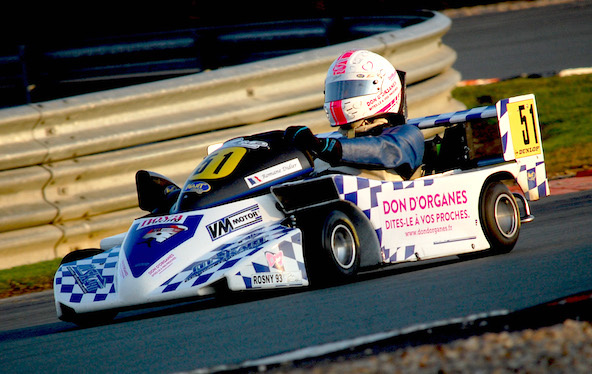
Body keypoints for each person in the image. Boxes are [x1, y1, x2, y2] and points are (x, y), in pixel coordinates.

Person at [285, 49, 424, 180]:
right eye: (339, 90)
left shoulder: (408, 135)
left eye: (351, 89)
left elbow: (385, 150)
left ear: (381, 88)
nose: (343, 96)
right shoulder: (332, 142)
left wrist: (329, 148)